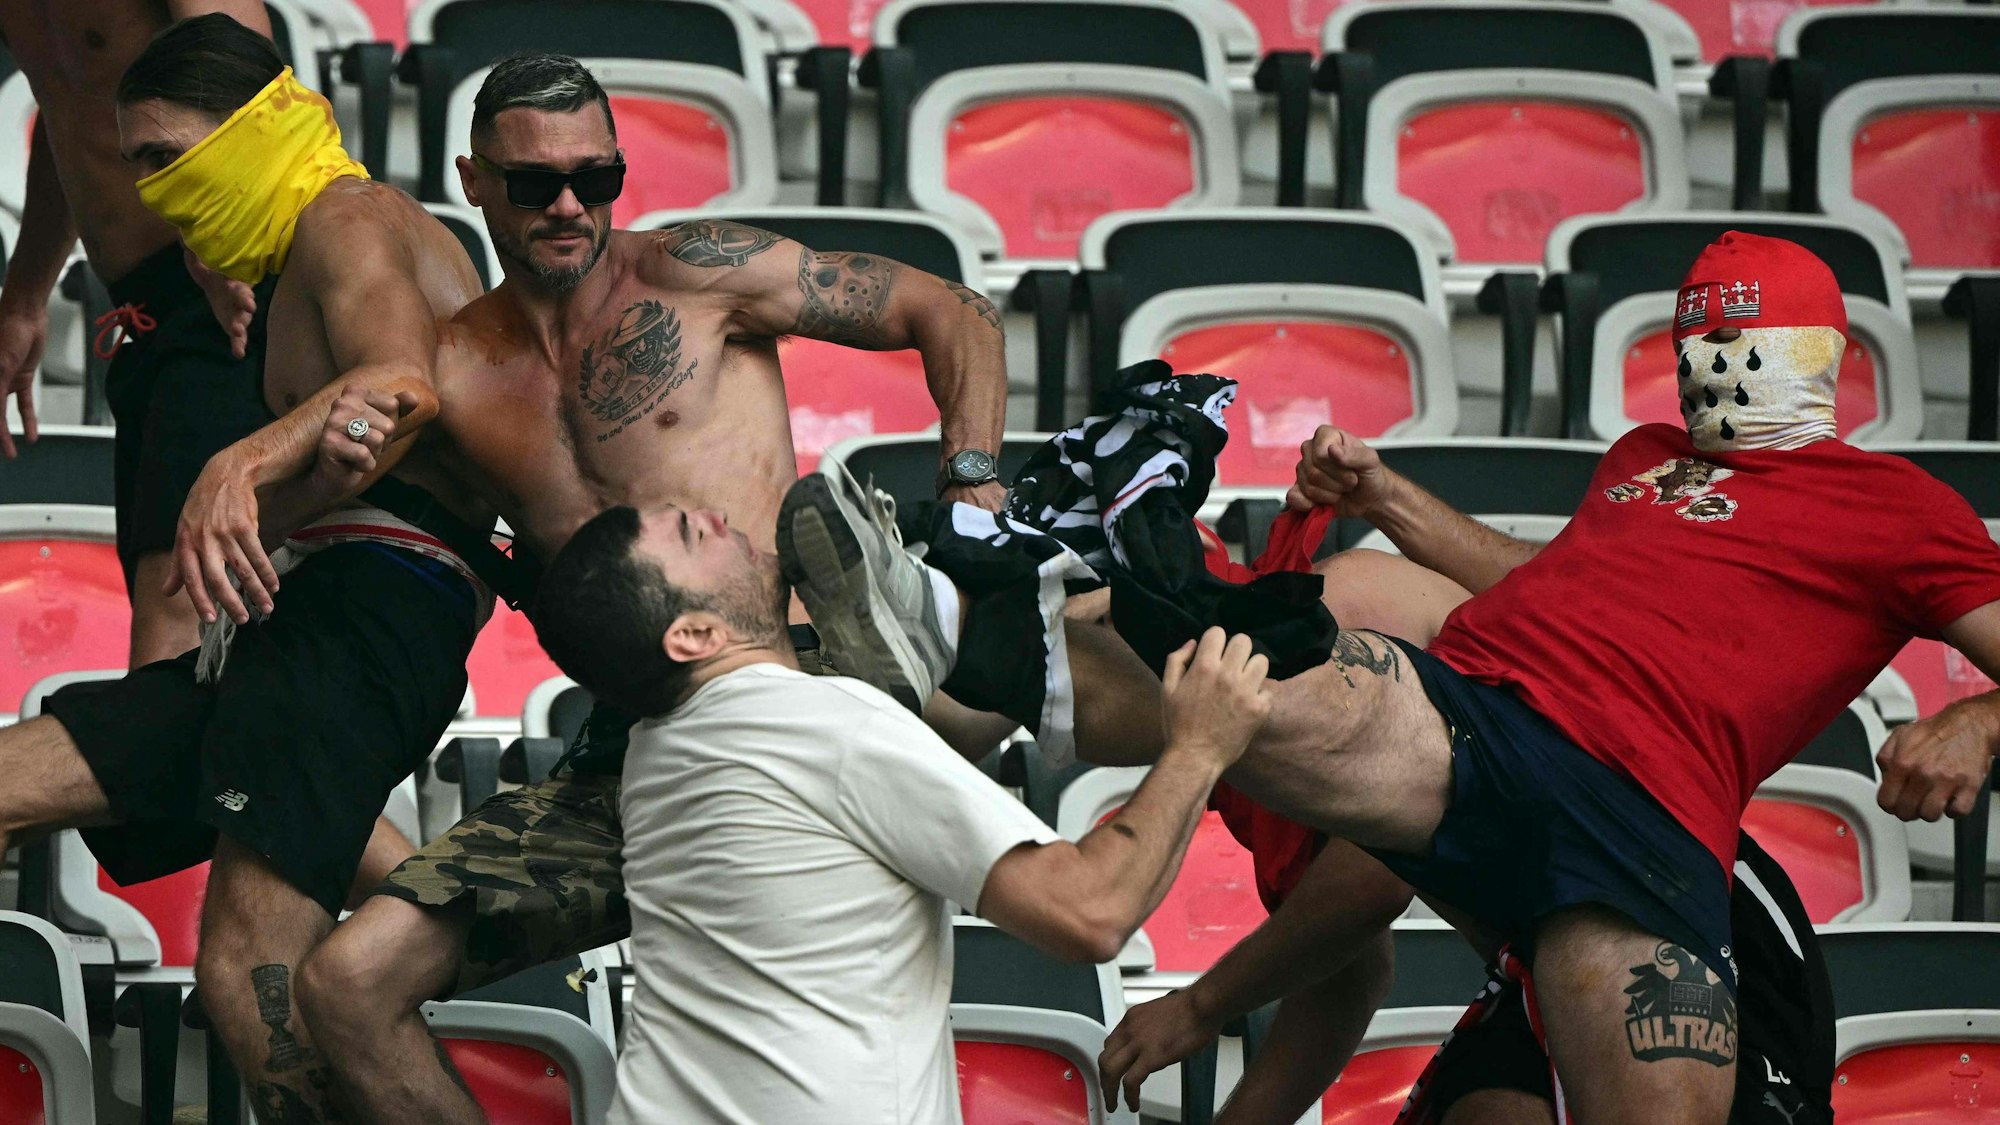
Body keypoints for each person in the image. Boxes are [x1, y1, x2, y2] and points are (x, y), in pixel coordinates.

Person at [780, 231, 2000, 1123]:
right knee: (1292, 651)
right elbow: (1549, 584)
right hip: (1490, 723)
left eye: (1742, 343)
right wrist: (1388, 497)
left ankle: (988, 624)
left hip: (1646, 825)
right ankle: (953, 631)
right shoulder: (1645, 456)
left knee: (1306, 630)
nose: (1713, 369)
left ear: (1823, 354)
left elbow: (1354, 923)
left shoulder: (1896, 508)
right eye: (1695, 344)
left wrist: (1977, 718)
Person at [245, 54, 1016, 1121]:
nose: (569, 206)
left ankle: (965, 654)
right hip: (637, 740)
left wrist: (973, 497)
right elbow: (333, 498)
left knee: (1093, 636)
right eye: (534, 183)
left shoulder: (699, 273)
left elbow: (954, 310)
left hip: (800, 686)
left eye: (595, 178)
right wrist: (239, 457)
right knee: (349, 983)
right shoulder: (449, 372)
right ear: (474, 182)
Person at [0, 16, 496, 1119]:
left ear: (255, 127)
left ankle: (454, 921)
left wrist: (239, 464)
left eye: (166, 158)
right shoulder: (286, 260)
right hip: (299, 626)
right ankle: (448, 915)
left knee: (253, 974)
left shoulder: (349, 218)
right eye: (134, 165)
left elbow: (402, 383)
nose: (151, 192)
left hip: (373, 614)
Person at [526, 498, 1264, 1122]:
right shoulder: (818, 722)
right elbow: (1090, 909)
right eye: (694, 534)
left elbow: (927, 738)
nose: (720, 515)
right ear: (695, 635)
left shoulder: (658, 750)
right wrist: (1199, 746)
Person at [0, 0, 279, 664]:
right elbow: (72, 121)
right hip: (144, 312)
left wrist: (218, 235)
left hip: (229, 292)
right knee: (164, 590)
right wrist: (24, 298)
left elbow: (253, 80)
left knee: (178, 598)